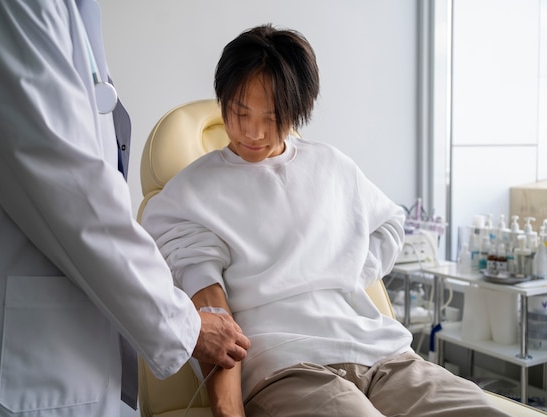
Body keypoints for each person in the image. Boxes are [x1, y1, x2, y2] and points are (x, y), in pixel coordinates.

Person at [141, 24, 513, 417]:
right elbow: (212, 313)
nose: (252, 131)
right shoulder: (190, 194)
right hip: (288, 368)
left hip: (384, 355)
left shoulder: (332, 166)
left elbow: (389, 225)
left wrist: (347, 269)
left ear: (299, 110)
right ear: (223, 99)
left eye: (272, 116)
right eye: (238, 112)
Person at [0, 1, 250, 416]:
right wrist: (185, 326)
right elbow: (66, 182)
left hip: (71, 349)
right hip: (22, 353)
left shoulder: (331, 172)